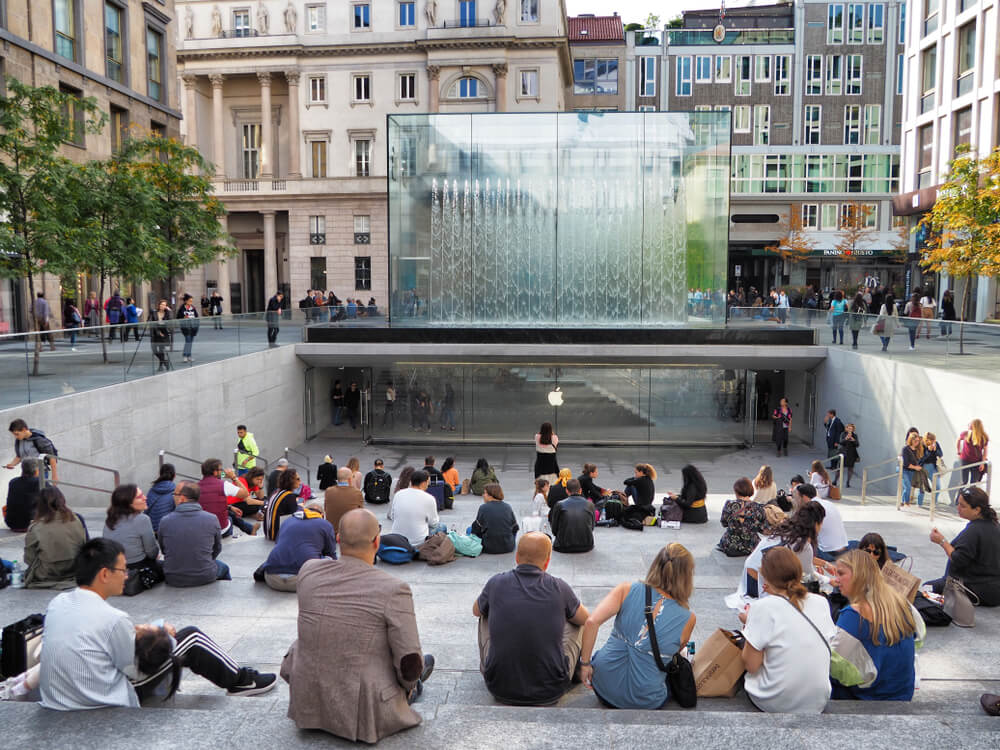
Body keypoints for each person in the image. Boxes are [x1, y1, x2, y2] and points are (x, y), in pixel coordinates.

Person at [281, 509, 435, 743]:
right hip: (360, 708)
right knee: (413, 665)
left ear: (338, 539)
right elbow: (409, 662)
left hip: (308, 695)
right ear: (377, 541)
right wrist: (409, 686)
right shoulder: (393, 588)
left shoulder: (308, 571)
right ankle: (415, 689)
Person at [473, 532, 589, 704]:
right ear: (547, 561)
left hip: (498, 686)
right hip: (552, 688)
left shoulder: (496, 582)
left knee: (485, 613)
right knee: (577, 621)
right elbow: (587, 619)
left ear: (517, 557)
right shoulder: (559, 587)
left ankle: (490, 664)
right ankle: (578, 667)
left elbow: (476, 610)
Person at [579, 544, 696, 709]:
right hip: (645, 700)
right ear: (686, 577)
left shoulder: (626, 589)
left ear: (656, 564)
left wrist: (585, 665)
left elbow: (591, 622)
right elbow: (674, 650)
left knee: (600, 654)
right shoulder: (688, 618)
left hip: (603, 686)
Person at [738, 546, 836, 713]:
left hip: (775, 699)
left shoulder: (763, 607)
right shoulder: (821, 602)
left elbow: (751, 665)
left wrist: (749, 624)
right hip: (818, 699)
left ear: (765, 576)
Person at [831, 549, 917, 701]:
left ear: (858, 575)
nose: (836, 580)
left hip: (869, 699)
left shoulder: (853, 615)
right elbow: (919, 639)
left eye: (841, 573)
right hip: (903, 695)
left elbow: (834, 664)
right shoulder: (901, 603)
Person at [730, 500, 825, 604]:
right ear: (816, 524)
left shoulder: (784, 531)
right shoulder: (803, 545)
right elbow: (808, 577)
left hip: (749, 579)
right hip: (763, 584)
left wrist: (824, 566)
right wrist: (825, 580)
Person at [926, 487, 1000, 606]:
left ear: (977, 510)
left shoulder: (974, 531)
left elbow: (958, 559)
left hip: (974, 589)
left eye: (963, 506)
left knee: (926, 588)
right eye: (958, 504)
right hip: (993, 589)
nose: (958, 508)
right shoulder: (994, 525)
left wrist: (942, 541)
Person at [254, 499, 337, 592]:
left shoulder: (287, 521)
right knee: (328, 559)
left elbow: (278, 543)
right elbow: (331, 554)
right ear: (322, 515)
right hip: (303, 581)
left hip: (273, 579)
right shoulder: (325, 524)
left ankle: (264, 567)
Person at [158, 481, 230, 586]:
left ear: (182, 498)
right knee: (224, 567)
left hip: (173, 577)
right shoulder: (212, 519)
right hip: (205, 575)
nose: (173, 497)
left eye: (175, 494)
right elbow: (217, 549)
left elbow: (164, 550)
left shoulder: (165, 521)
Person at [24, 486, 88, 589]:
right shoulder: (77, 519)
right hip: (75, 569)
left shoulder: (36, 527)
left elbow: (28, 559)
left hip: (48, 573)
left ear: (40, 504)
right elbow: (83, 544)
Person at [101, 484, 160, 573]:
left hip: (114, 569)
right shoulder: (142, 519)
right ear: (128, 503)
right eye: (140, 497)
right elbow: (152, 553)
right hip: (137, 568)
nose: (145, 498)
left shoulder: (110, 519)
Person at [387, 469, 445, 548]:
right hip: (418, 544)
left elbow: (393, 517)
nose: (428, 485)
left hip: (397, 540)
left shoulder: (398, 494)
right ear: (424, 483)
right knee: (442, 526)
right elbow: (434, 523)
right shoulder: (429, 498)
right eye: (428, 482)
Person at [197, 458, 254, 536]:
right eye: (221, 469)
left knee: (228, 512)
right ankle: (251, 529)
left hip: (202, 530)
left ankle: (250, 529)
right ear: (215, 472)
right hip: (221, 531)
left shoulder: (195, 487)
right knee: (230, 516)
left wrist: (230, 507)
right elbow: (245, 493)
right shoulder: (224, 485)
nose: (222, 471)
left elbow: (210, 503)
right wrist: (234, 478)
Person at [718, 477, 767, 557]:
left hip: (730, 545)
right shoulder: (758, 507)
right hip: (752, 546)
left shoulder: (729, 504)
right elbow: (762, 528)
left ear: (736, 491)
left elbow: (724, 523)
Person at [548, 479, 595, 553]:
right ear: (580, 490)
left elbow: (554, 529)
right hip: (586, 545)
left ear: (566, 491)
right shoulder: (590, 504)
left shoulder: (559, 504)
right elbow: (592, 527)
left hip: (563, 546)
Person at [6, 418, 59, 483]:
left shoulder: (39, 440)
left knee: (38, 492)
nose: (16, 437)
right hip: (25, 473)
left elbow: (51, 457)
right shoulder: (19, 441)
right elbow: (19, 456)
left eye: (17, 434)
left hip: (39, 473)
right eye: (14, 434)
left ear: (24, 429)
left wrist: (54, 476)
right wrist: (12, 464)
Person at [470, 483, 519, 554]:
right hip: (508, 547)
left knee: (469, 529)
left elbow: (476, 529)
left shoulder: (483, 508)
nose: (483, 495)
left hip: (488, 548)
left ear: (490, 494)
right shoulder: (507, 507)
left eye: (484, 493)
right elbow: (515, 527)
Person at [4, 457, 42, 532]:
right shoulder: (39, 482)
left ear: (22, 469)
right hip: (29, 524)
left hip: (11, 523)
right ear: (36, 470)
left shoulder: (13, 482)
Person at [264, 468, 302, 541]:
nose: (300, 481)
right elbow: (297, 516)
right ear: (291, 481)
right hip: (278, 534)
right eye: (298, 479)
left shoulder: (276, 492)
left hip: (268, 532)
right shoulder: (289, 496)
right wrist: (300, 506)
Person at [324, 467, 364, 534]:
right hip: (349, 533)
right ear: (349, 479)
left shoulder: (329, 491)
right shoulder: (356, 492)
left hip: (332, 531)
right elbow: (361, 513)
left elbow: (326, 509)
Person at [957, 419, 989, 489]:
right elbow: (958, 440)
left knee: (973, 484)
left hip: (976, 462)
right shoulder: (965, 433)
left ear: (974, 426)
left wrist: (982, 463)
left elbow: (985, 452)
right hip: (965, 460)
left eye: (970, 424)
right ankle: (959, 499)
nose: (968, 425)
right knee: (963, 482)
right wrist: (958, 452)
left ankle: (969, 499)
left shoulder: (983, 437)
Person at [900, 431, 925, 508]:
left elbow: (921, 460)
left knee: (908, 487)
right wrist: (915, 467)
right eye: (915, 441)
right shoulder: (905, 449)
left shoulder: (918, 450)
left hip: (913, 472)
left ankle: (902, 501)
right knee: (907, 487)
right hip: (905, 470)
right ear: (911, 440)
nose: (917, 442)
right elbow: (906, 463)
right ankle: (907, 503)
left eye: (918, 441)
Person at [147, 299, 173, 371]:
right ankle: (165, 362)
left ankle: (160, 366)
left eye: (164, 305)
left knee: (161, 350)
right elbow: (151, 323)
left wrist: (170, 311)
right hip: (155, 333)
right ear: (159, 305)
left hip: (164, 334)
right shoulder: (154, 313)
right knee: (154, 350)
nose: (162, 306)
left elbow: (170, 321)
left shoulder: (167, 313)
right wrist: (158, 332)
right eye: (161, 304)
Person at [921, 432, 944, 505]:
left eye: (934, 440)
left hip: (933, 467)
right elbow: (922, 458)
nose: (934, 441)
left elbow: (940, 454)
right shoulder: (922, 445)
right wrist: (929, 450)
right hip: (924, 467)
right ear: (928, 440)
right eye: (932, 440)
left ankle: (933, 502)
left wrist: (935, 450)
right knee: (923, 486)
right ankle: (919, 503)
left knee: (938, 486)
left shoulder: (936, 444)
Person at [176, 294, 200, 363]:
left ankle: (189, 355)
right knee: (188, 341)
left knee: (190, 342)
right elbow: (178, 317)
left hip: (193, 327)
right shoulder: (182, 308)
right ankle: (185, 356)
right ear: (186, 301)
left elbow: (197, 317)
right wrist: (183, 317)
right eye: (190, 301)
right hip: (185, 327)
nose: (191, 302)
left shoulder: (193, 308)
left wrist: (196, 325)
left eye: (192, 301)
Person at [839, 424, 861, 488]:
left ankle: (848, 482)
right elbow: (840, 442)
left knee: (850, 469)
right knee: (839, 468)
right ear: (846, 428)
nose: (850, 430)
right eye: (849, 428)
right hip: (843, 453)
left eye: (851, 429)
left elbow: (857, 445)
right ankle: (835, 480)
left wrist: (853, 440)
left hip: (852, 454)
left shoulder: (855, 435)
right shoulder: (843, 434)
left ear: (853, 429)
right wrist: (846, 438)